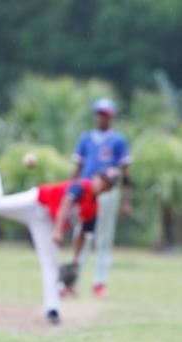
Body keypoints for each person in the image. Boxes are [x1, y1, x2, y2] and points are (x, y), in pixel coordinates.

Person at [0, 160, 116, 325]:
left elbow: (84, 235)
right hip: (36, 202)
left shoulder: (93, 208)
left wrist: (75, 260)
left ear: (109, 190)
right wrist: (58, 231)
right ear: (95, 177)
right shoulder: (81, 186)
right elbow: (66, 202)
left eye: (107, 184)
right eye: (102, 179)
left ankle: (52, 310)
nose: (102, 185)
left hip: (46, 223)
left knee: (51, 264)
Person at [71, 98, 132, 298]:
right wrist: (70, 191)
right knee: (81, 237)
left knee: (104, 239)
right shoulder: (86, 138)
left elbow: (125, 173)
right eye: (99, 113)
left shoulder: (118, 140)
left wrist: (126, 200)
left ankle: (100, 283)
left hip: (108, 194)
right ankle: (71, 283)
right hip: (86, 192)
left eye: (105, 114)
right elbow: (77, 168)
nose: (101, 117)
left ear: (111, 117)